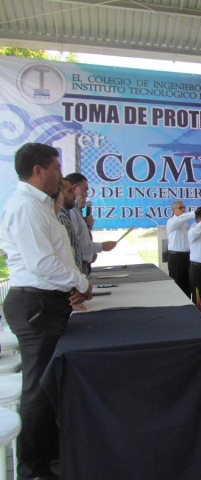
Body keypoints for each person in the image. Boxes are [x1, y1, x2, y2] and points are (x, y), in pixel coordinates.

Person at [1, 143, 93, 480]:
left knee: (46, 383)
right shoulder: (26, 207)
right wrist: (80, 281)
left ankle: (47, 448)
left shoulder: (41, 206)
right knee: (37, 389)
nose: (60, 174)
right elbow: (42, 263)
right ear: (38, 170)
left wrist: (72, 282)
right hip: (36, 304)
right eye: (56, 167)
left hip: (47, 301)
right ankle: (33, 469)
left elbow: (54, 257)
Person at [65, 173, 117, 275]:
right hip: (78, 267)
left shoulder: (77, 211)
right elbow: (76, 244)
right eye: (85, 190)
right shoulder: (71, 212)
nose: (86, 194)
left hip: (84, 265)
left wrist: (87, 227)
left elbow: (80, 237)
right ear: (74, 189)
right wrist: (102, 246)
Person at [166, 200, 196, 297]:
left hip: (186, 256)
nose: (183, 210)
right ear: (174, 210)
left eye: (184, 208)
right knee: (177, 283)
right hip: (176, 257)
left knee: (187, 284)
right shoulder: (172, 221)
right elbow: (180, 219)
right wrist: (194, 213)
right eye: (181, 208)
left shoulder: (185, 223)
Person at [55, 178, 82, 271]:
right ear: (59, 194)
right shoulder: (60, 218)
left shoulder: (66, 216)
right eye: (70, 191)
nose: (74, 195)